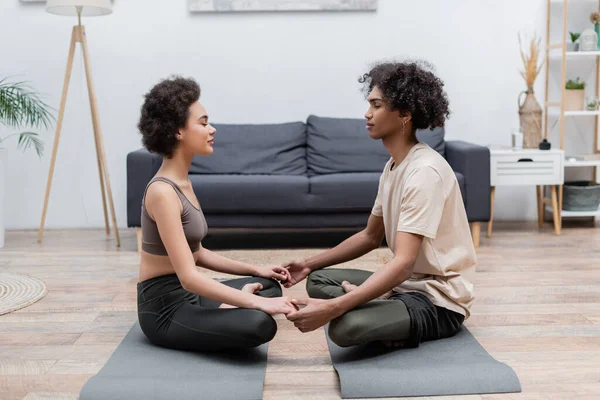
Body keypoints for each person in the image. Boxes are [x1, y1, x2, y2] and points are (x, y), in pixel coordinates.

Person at [284, 60, 477, 349]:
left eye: (376, 105)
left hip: (437, 300)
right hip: (403, 286)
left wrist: (336, 308)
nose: (367, 113)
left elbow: (403, 263)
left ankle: (373, 311)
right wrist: (307, 265)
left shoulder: (424, 171)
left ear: (404, 115)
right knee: (319, 279)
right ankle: (377, 307)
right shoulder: (393, 166)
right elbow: (370, 236)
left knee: (345, 328)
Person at [136, 76, 294, 352]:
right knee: (260, 324)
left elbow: (197, 254)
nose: (213, 129)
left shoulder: (183, 183)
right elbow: (188, 276)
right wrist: (255, 303)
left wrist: (256, 269)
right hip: (165, 309)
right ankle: (227, 309)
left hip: (190, 295)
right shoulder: (162, 192)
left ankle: (226, 307)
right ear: (177, 131)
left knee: (268, 285)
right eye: (204, 122)